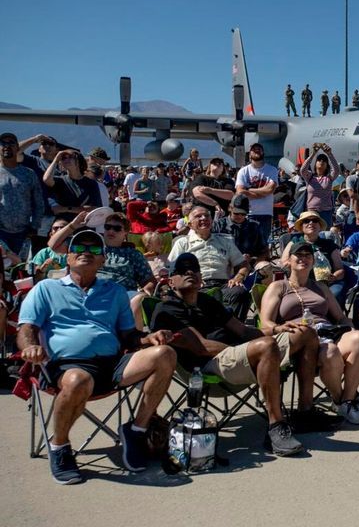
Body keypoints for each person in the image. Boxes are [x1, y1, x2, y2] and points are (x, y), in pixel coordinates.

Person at [17, 229, 177, 483]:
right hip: (67, 366)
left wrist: (147, 339)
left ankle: (137, 430)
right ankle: (59, 447)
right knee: (78, 380)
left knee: (165, 354)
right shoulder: (46, 288)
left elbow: (129, 336)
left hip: (112, 364)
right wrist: (30, 346)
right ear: (68, 257)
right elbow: (27, 328)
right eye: (79, 249)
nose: (86, 253)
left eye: (94, 250)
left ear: (103, 259)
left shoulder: (114, 292)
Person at [151, 253, 316, 455]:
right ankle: (276, 427)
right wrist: (248, 350)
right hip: (209, 366)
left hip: (240, 353)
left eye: (194, 269)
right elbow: (201, 347)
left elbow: (244, 331)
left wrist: (276, 329)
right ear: (171, 281)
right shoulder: (167, 309)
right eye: (182, 270)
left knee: (305, 333)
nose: (190, 273)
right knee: (266, 347)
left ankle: (306, 412)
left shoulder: (208, 301)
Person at [260, 241, 359, 424]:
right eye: (299, 255)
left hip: (326, 332)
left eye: (308, 255)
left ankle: (346, 400)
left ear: (313, 261)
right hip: (299, 338)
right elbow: (265, 322)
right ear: (288, 261)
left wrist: (349, 327)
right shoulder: (279, 287)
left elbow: (340, 317)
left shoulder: (321, 287)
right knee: (330, 352)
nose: (304, 259)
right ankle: (342, 401)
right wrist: (280, 328)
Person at [168, 205, 251, 320]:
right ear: (190, 224)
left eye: (207, 216)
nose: (204, 218)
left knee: (240, 293)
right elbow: (172, 270)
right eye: (198, 216)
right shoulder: (182, 243)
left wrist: (239, 277)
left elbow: (243, 264)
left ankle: (233, 331)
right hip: (197, 285)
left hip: (223, 285)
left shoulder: (224, 241)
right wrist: (192, 281)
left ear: (212, 220)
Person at [282, 211, 348, 302]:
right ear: (301, 226)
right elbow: (284, 263)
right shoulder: (295, 242)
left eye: (315, 220)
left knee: (334, 294)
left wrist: (334, 276)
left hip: (327, 283)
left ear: (319, 226)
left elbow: (340, 269)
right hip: (300, 283)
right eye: (306, 221)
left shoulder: (328, 244)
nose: (311, 223)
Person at [0, 132, 44, 255]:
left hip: (24, 234)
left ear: (18, 148)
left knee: (21, 270)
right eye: (3, 143)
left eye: (11, 143)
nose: (7, 146)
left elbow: (38, 203)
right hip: (1, 234)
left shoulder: (28, 174)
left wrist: (35, 226)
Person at [235, 143, 278, 241]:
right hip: (247, 214)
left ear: (263, 152)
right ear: (249, 154)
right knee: (247, 244)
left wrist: (249, 190)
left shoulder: (272, 170)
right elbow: (240, 192)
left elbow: (271, 189)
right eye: (254, 149)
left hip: (266, 214)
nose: (257, 150)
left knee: (263, 245)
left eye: (259, 149)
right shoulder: (243, 171)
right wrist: (263, 193)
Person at [43, 149, 102, 219]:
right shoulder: (60, 181)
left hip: (84, 225)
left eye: (70, 157)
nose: (66, 160)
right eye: (63, 158)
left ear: (79, 160)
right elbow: (46, 179)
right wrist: (56, 160)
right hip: (64, 225)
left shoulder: (91, 183)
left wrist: (65, 209)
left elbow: (96, 209)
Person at [211, 195, 269, 263]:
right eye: (236, 213)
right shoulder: (218, 225)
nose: (240, 216)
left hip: (249, 265)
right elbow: (212, 250)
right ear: (230, 208)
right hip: (224, 265)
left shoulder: (255, 226)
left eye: (243, 214)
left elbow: (264, 251)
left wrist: (252, 259)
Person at [299, 142, 339, 226]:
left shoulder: (329, 178)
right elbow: (302, 170)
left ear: (327, 165)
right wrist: (313, 154)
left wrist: (329, 154)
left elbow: (336, 170)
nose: (321, 161)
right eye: (319, 160)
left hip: (326, 212)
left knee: (326, 235)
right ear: (315, 163)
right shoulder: (310, 177)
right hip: (312, 212)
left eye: (324, 161)